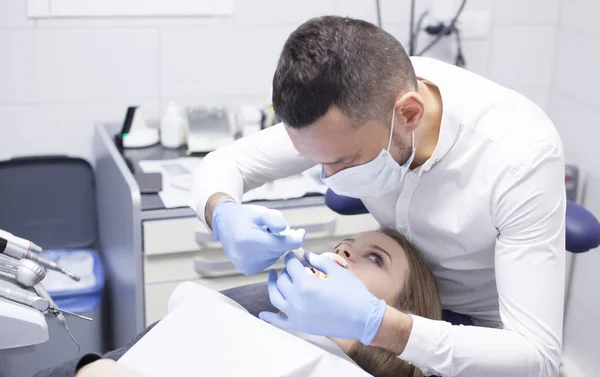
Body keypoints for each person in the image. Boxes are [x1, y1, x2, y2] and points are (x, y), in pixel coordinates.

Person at [192, 15, 566, 377]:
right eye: (315, 161)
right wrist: (223, 213)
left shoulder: (519, 155)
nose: (330, 179)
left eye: (344, 160)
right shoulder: (352, 94)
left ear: (409, 114)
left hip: (480, 338)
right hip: (370, 306)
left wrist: (376, 323)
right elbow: (227, 164)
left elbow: (537, 358)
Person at [35, 229, 442, 377]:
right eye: (344, 244)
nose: (345, 251)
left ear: (403, 314)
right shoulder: (258, 310)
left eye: (375, 258)